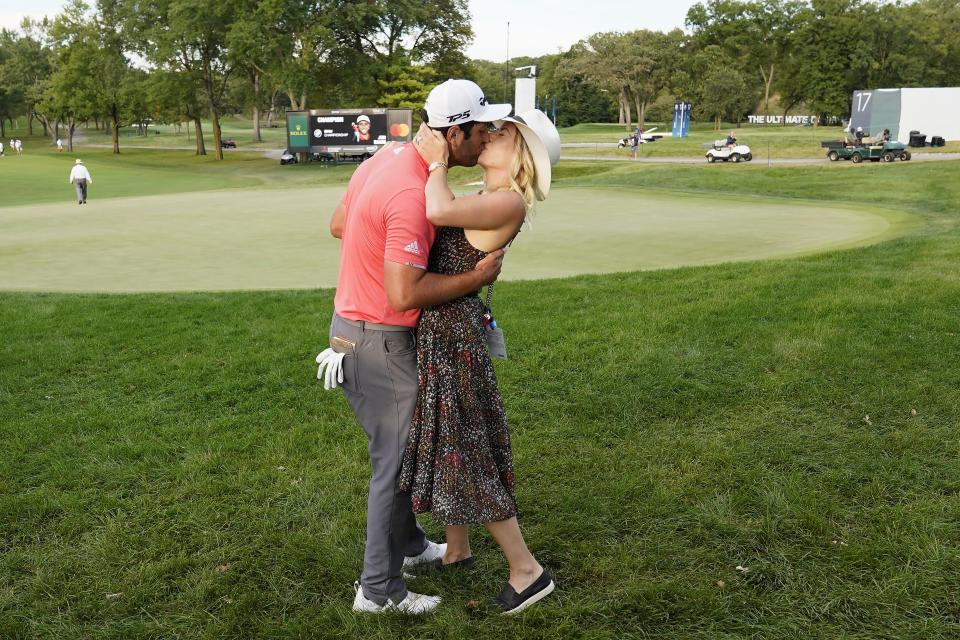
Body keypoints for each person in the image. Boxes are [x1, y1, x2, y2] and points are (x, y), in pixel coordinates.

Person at [322, 78, 511, 615]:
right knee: (397, 464)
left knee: (393, 453)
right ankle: (378, 592)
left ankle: (408, 546)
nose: (487, 138)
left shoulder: (388, 158)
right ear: (455, 133)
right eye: (481, 130)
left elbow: (340, 224)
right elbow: (405, 291)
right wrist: (474, 280)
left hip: (347, 329)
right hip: (380, 342)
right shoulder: (410, 193)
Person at [399, 107, 562, 614]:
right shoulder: (489, 197)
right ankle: (459, 548)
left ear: (523, 155)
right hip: (447, 331)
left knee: (465, 445)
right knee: (456, 435)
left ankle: (527, 571)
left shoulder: (508, 202)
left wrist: (434, 161)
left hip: (454, 336)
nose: (489, 135)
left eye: (503, 132)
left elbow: (436, 211)